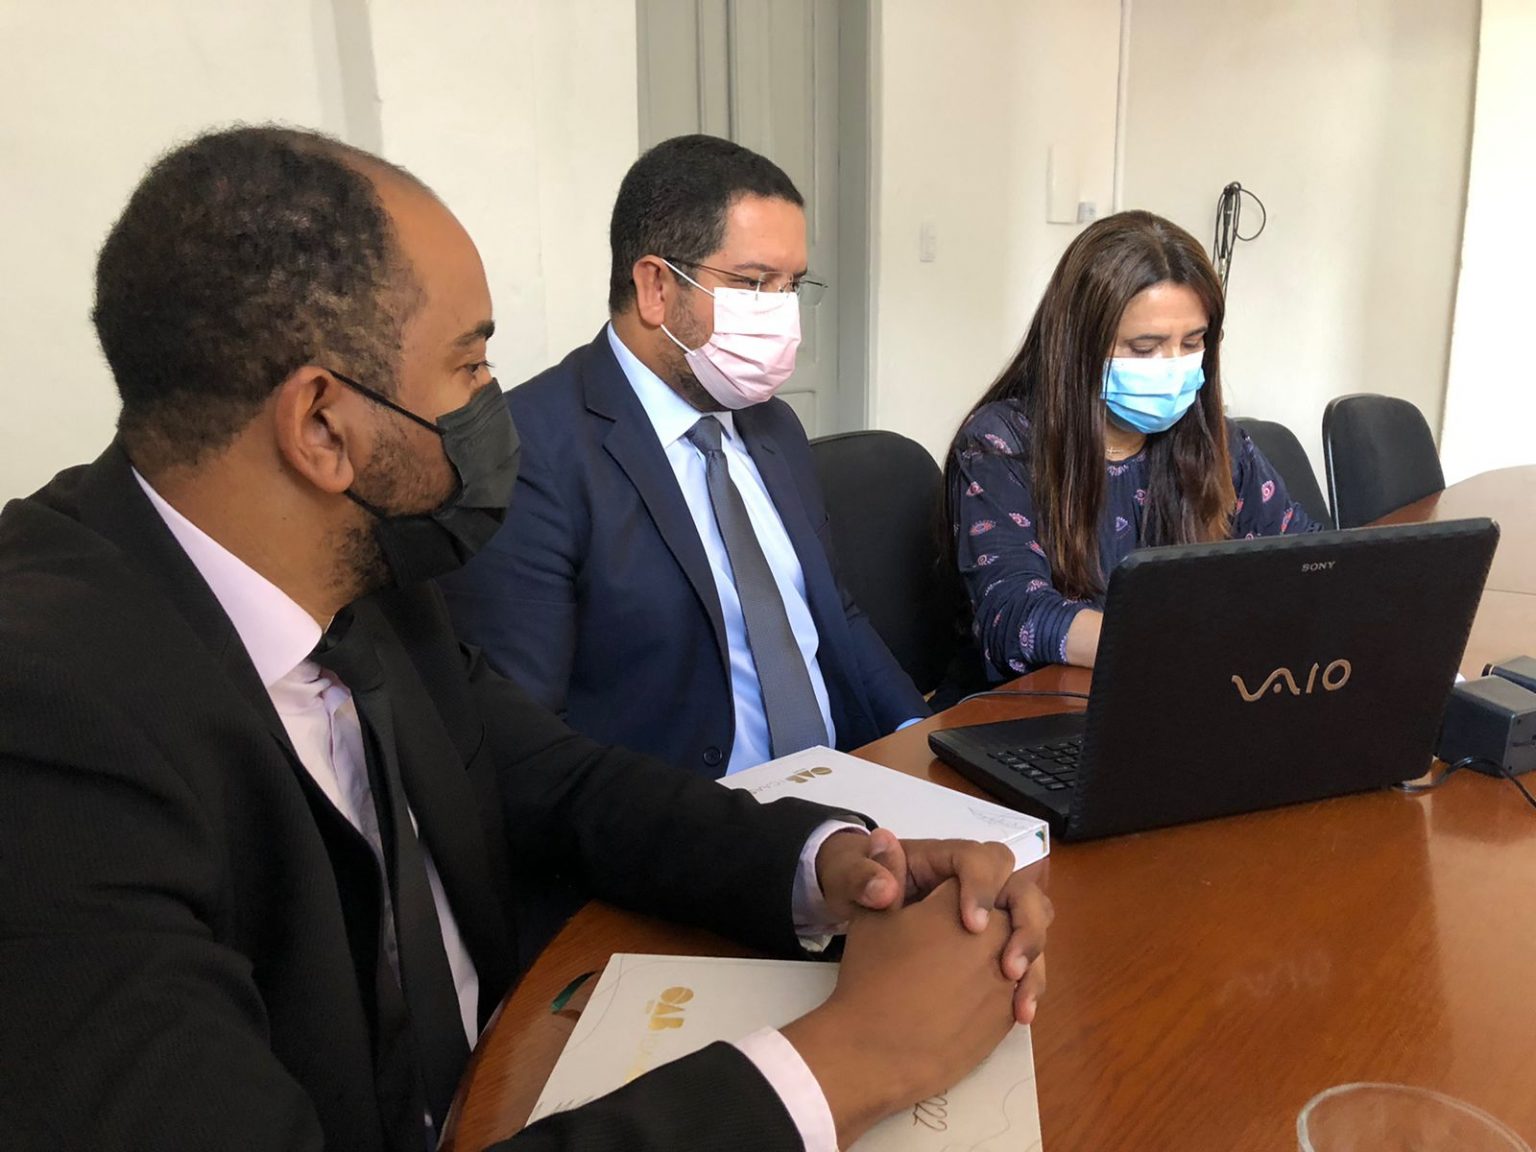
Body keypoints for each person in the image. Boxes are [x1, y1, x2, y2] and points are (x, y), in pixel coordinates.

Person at [0, 126, 1051, 1152]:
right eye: (469, 365)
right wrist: (851, 1061)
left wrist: (835, 863)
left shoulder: (362, 571)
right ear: (321, 424)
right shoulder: (48, 728)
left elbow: (562, 780)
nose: (497, 402)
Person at [437, 135, 929, 779]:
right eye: (754, 283)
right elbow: (526, 742)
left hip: (848, 783)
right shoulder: (530, 454)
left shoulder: (773, 425)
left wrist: (920, 740)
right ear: (656, 287)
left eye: (792, 287)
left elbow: (833, 612)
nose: (782, 315)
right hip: (691, 815)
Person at [946, 210, 1322, 676]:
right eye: (1144, 348)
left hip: (1182, 687)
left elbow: (1307, 562)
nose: (1173, 367)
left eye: (1193, 342)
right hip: (1046, 701)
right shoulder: (1001, 443)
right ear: (1079, 346)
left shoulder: (1218, 442)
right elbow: (1014, 615)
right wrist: (1181, 643)